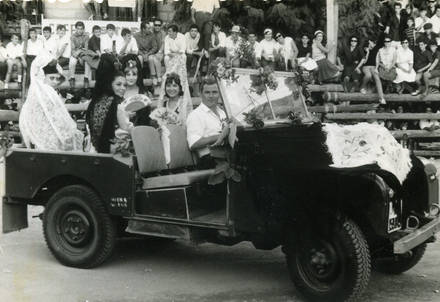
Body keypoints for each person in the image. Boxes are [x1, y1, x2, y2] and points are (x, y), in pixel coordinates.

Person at [19, 50, 84, 151]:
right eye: (52, 78)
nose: (55, 82)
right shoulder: (44, 90)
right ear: (42, 77)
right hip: (42, 133)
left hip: (44, 131)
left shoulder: (41, 90)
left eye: (57, 79)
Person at [86, 54, 133, 153]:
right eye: (118, 84)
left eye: (125, 85)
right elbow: (126, 128)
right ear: (110, 83)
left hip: (98, 150)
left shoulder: (96, 101)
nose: (123, 88)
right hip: (114, 151)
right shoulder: (116, 103)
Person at [186, 76, 229, 169]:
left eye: (214, 92)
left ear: (219, 94)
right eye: (207, 92)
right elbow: (193, 143)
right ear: (200, 94)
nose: (211, 96)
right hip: (209, 159)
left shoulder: (224, 113)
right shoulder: (195, 115)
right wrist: (220, 136)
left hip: (226, 155)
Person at [358, 37, 386, 104]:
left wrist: (378, 67)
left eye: (372, 42)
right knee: (368, 76)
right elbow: (364, 61)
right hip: (366, 66)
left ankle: (381, 98)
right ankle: (362, 87)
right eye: (370, 42)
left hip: (374, 67)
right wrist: (367, 52)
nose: (371, 43)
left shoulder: (377, 49)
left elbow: (378, 60)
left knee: (377, 78)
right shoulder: (365, 48)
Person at [69, 21, 90, 89]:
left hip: (83, 54)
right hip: (75, 54)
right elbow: (73, 49)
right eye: (78, 28)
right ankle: (72, 78)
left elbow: (86, 48)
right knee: (72, 62)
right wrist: (78, 56)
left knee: (87, 61)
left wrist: (80, 53)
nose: (79, 30)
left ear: (83, 29)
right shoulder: (72, 36)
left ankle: (86, 78)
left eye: (81, 29)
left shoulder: (86, 36)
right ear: (75, 29)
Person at [150, 19, 166, 86]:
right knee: (150, 58)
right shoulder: (151, 32)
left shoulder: (163, 33)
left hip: (161, 52)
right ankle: (153, 76)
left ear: (161, 26)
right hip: (152, 52)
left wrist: (159, 52)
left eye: (159, 25)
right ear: (153, 25)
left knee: (155, 58)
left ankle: (159, 77)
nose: (157, 27)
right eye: (155, 25)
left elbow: (163, 44)